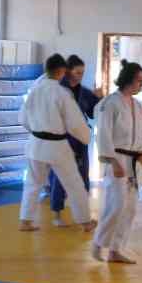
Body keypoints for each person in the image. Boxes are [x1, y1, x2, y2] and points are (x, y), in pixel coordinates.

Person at [19, 53, 95, 233]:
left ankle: (25, 221)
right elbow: (74, 122)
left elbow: (23, 118)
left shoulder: (34, 90)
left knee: (32, 183)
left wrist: (35, 131)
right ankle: (85, 222)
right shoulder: (61, 93)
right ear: (61, 71)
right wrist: (86, 137)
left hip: (35, 144)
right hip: (56, 146)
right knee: (74, 183)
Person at [92, 60, 142, 263]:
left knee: (130, 208)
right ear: (128, 80)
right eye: (139, 80)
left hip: (135, 162)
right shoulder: (110, 103)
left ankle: (116, 250)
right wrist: (112, 161)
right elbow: (103, 134)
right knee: (116, 205)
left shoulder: (137, 105)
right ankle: (98, 243)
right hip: (117, 160)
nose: (141, 85)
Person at [47, 54, 100, 227]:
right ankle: (56, 214)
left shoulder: (84, 92)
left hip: (79, 139)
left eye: (82, 73)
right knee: (59, 177)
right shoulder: (57, 90)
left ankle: (84, 218)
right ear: (68, 71)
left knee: (83, 177)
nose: (80, 76)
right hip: (62, 139)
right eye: (77, 72)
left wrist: (99, 98)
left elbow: (93, 113)